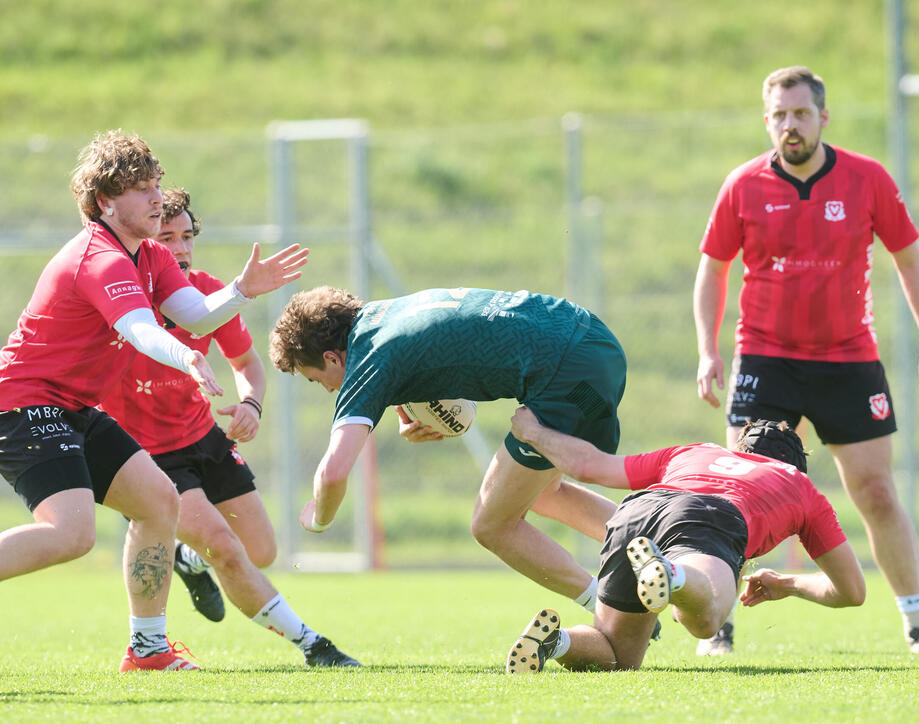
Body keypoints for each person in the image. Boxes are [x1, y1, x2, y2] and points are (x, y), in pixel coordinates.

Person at [0, 131, 308, 671]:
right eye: (141, 189)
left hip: (75, 408)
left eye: (156, 185)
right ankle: (148, 647)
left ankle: (147, 650)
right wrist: (184, 356)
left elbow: (194, 315)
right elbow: (141, 329)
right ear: (105, 202)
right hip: (25, 405)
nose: (156, 198)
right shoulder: (99, 257)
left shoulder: (151, 254)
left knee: (160, 503)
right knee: (72, 534)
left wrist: (240, 291)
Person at [692, 66, 919, 655]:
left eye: (802, 113)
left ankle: (918, 625)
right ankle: (718, 622)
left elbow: (911, 261)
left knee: (876, 491)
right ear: (767, 121)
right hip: (765, 358)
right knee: (741, 494)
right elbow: (713, 269)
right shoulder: (743, 184)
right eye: (780, 115)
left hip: (848, 360)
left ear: (823, 118)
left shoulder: (867, 179)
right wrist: (708, 350)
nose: (791, 125)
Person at [97, 188, 357, 667]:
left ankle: (184, 557)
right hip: (147, 454)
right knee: (226, 549)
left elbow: (247, 364)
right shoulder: (120, 293)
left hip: (203, 437)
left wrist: (251, 405)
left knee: (261, 550)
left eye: (187, 236)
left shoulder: (205, 292)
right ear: (145, 238)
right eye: (167, 237)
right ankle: (313, 646)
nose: (180, 248)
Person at [268, 286, 625, 613]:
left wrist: (318, 518)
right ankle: (650, 541)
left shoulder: (367, 357)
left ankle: (615, 608)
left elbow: (333, 474)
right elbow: (438, 337)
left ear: (332, 358)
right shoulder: (384, 315)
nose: (328, 389)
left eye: (316, 379)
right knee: (542, 494)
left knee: (491, 525)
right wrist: (406, 401)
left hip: (568, 378)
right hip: (593, 342)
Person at [504, 413, 865, 673]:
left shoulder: (697, 451)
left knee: (620, 658)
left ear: (740, 449)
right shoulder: (798, 484)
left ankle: (555, 642)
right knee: (706, 622)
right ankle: (671, 573)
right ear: (796, 466)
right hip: (709, 518)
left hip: (635, 513)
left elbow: (591, 467)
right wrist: (789, 584)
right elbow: (852, 591)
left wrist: (533, 432)